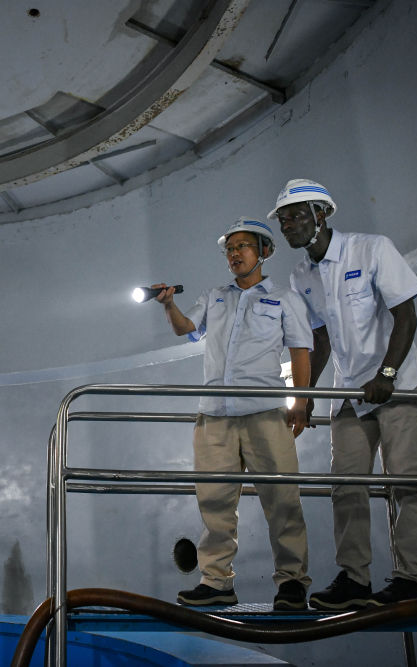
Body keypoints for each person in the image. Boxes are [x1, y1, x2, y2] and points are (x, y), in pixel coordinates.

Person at [269, 178, 417, 610]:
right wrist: (303, 397)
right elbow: (319, 341)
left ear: (322, 214)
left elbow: (406, 315)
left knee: (409, 482)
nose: (288, 225)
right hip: (350, 392)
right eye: (283, 220)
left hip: (397, 384)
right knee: (345, 484)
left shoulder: (372, 248)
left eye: (296, 216)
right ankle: (354, 579)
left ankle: (412, 579)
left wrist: (387, 373)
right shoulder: (301, 275)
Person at [152, 218, 313, 611]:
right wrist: (169, 305)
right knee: (215, 502)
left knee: (282, 501)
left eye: (242, 246)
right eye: (229, 248)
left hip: (265, 412)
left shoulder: (285, 299)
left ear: (264, 251)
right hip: (215, 415)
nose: (234, 254)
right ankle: (217, 581)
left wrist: (301, 402)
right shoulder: (215, 296)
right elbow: (186, 328)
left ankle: (292, 582)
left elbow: (300, 352)